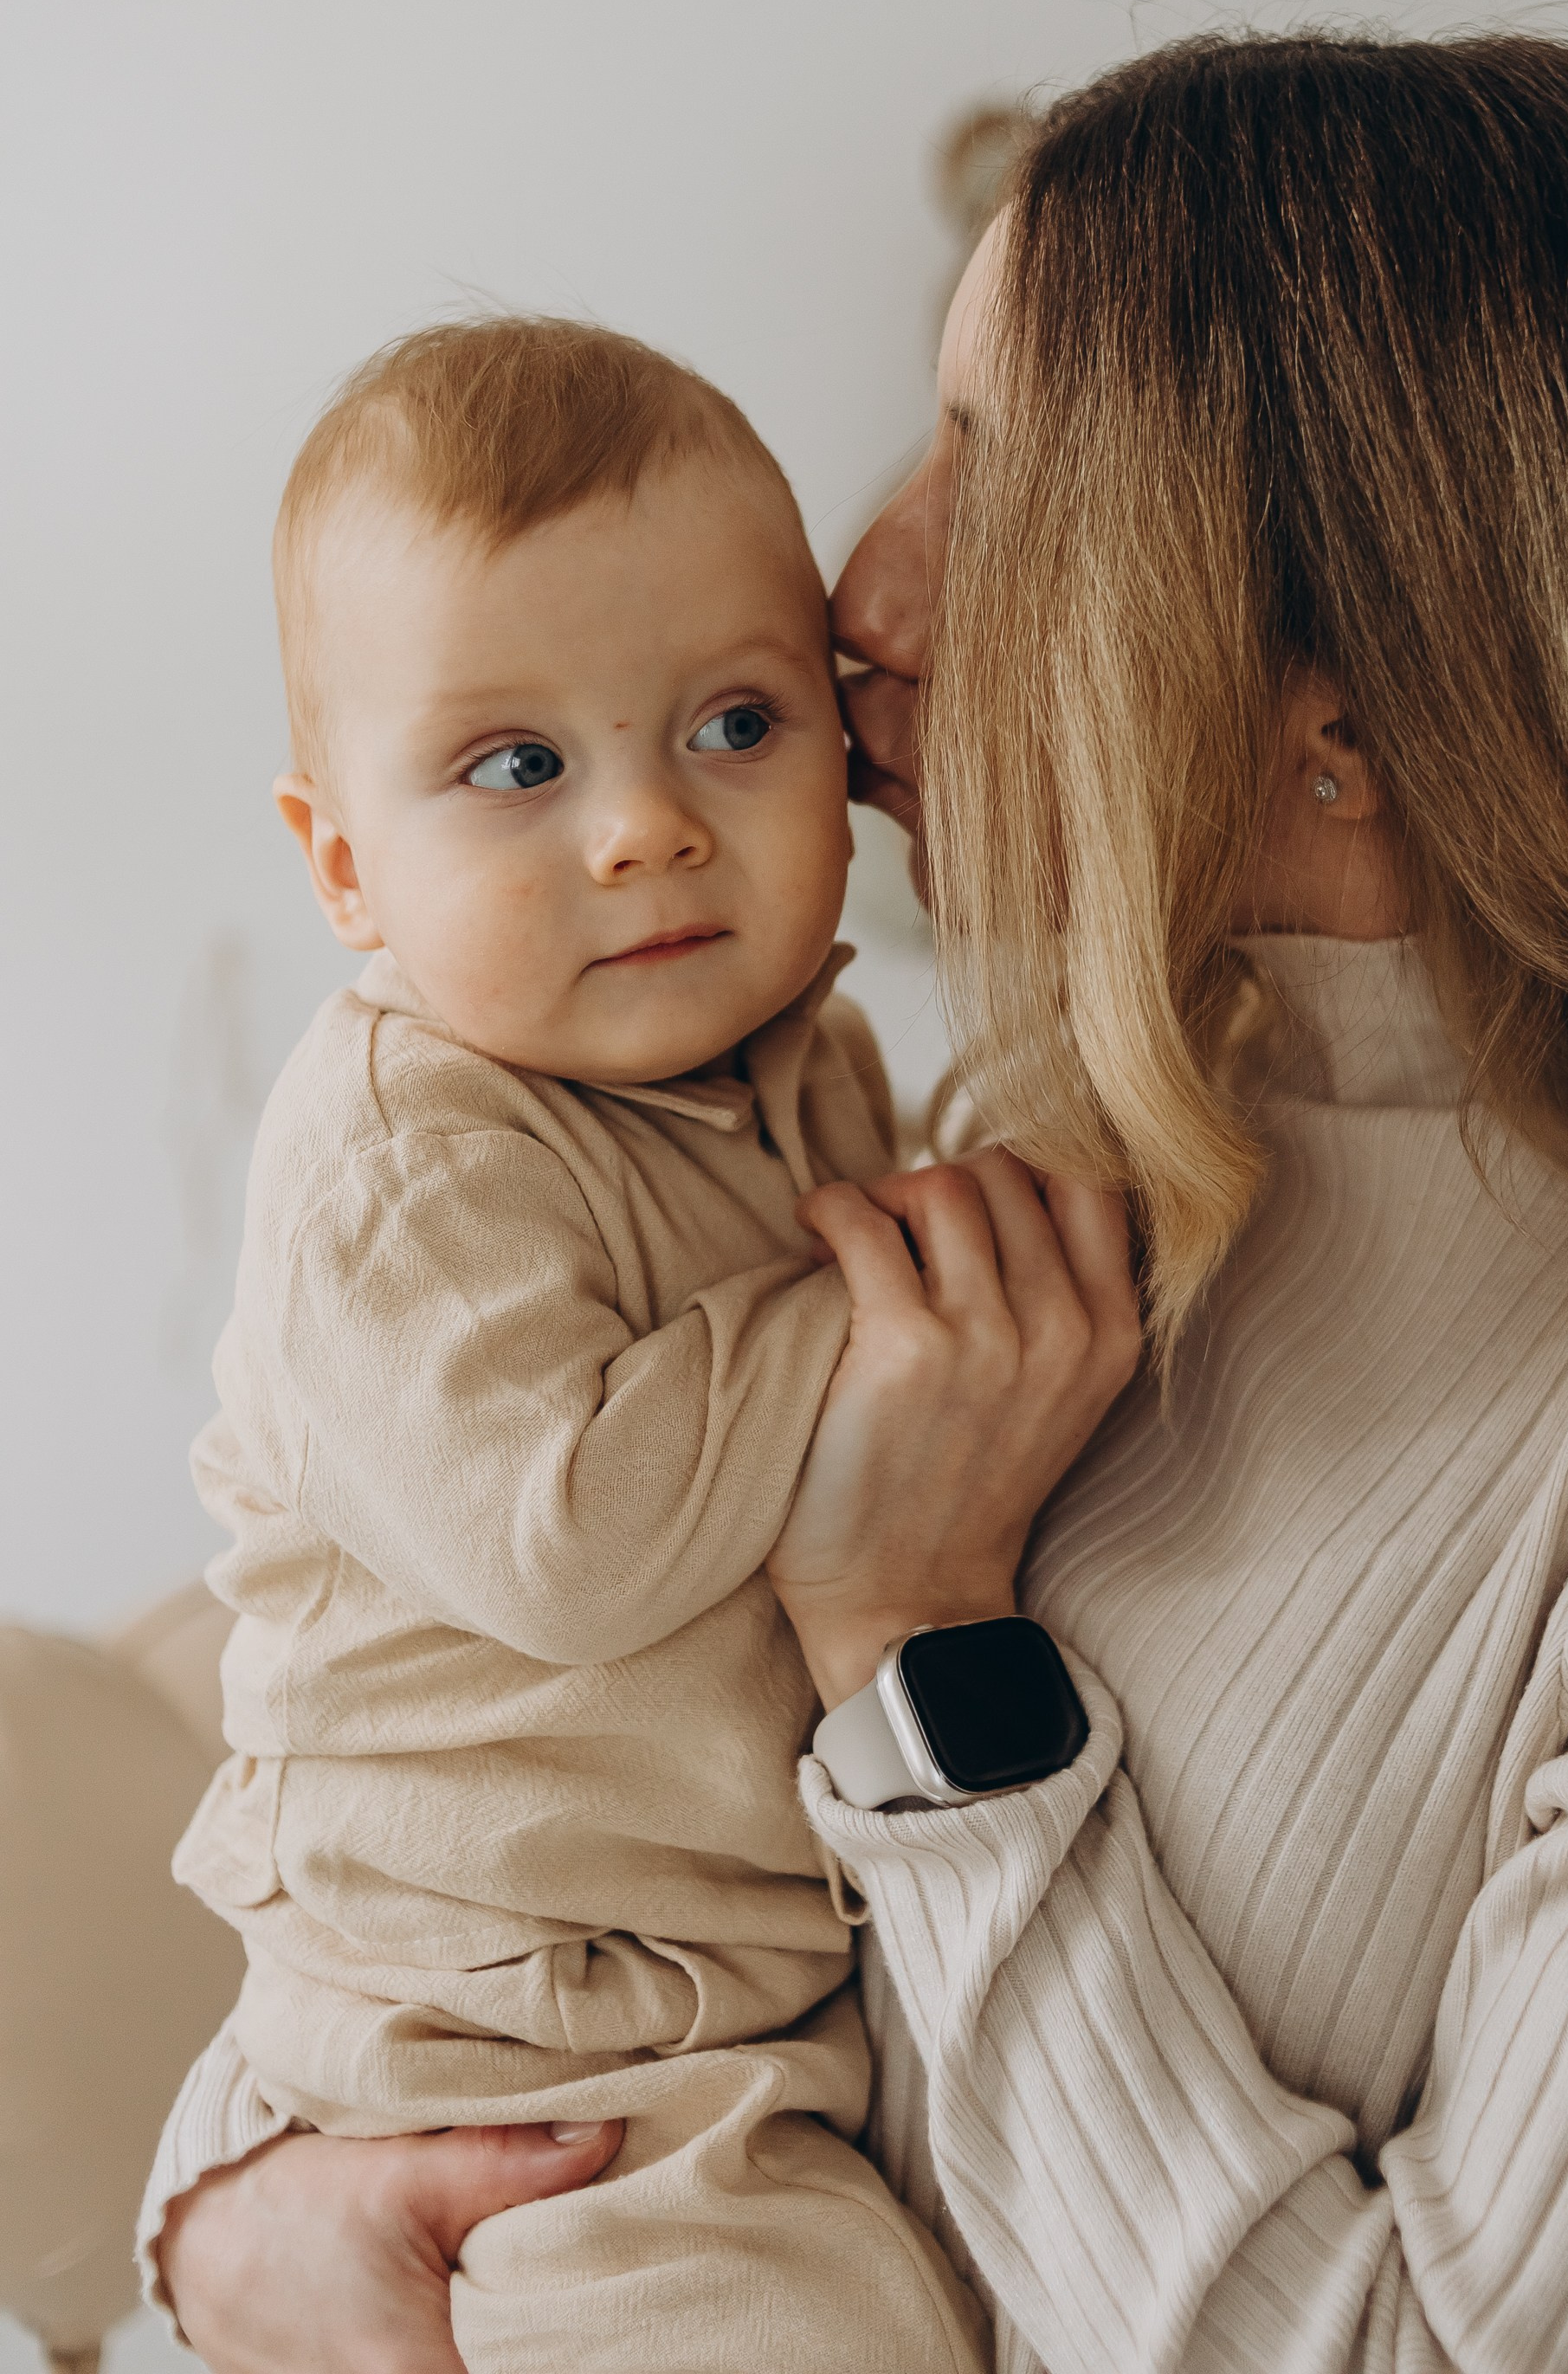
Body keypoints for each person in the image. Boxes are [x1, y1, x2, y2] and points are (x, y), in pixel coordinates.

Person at [154, 33, 1568, 2373]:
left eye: (987, 466)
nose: (856, 592)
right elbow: (475, 1787)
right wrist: (247, 2198)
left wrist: (931, 1659)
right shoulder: (1071, 1139)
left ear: (1348, 711)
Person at [154, 316, 1107, 2371]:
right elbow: (565, 1538)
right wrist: (899, 1303)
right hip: (501, 2039)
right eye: (518, 767)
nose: (646, 830)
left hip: (730, 2001)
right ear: (342, 865)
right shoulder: (404, 1165)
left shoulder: (812, 1058)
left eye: (738, 724)